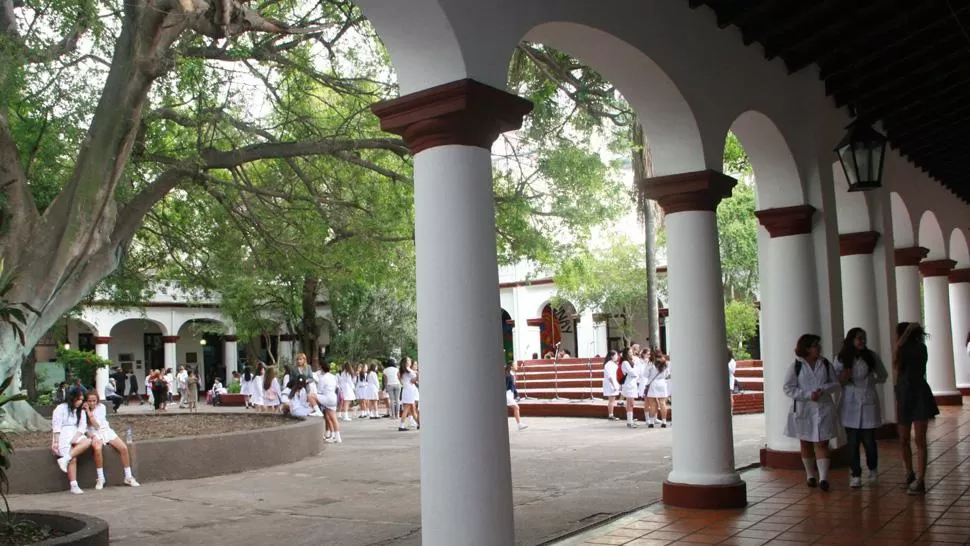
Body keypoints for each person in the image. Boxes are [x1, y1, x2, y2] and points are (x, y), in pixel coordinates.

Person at [783, 334, 841, 491]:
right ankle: (810, 475)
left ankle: (823, 478)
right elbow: (788, 388)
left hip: (823, 406)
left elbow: (836, 384)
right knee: (806, 441)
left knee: (823, 441)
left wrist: (824, 390)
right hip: (804, 408)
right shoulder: (796, 365)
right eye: (815, 345)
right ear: (807, 348)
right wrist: (808, 395)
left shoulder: (826, 364)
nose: (819, 348)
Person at [834, 327, 888, 488]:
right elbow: (834, 379)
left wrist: (871, 383)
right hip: (850, 401)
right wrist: (844, 378)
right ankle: (855, 473)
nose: (862, 341)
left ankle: (872, 469)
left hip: (868, 400)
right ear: (851, 340)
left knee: (869, 440)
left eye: (863, 338)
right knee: (852, 441)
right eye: (858, 338)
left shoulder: (871, 356)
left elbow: (883, 375)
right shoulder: (841, 358)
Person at [894, 322, 939, 495]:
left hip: (919, 392)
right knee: (903, 438)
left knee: (920, 439)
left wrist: (907, 332)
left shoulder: (919, 348)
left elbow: (899, 347)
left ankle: (920, 479)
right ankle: (909, 473)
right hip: (904, 393)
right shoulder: (901, 351)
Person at [83, 392, 140, 489]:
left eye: (94, 401)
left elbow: (97, 425)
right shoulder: (82, 411)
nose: (92, 403)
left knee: (123, 448)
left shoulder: (101, 407)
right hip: (93, 433)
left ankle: (128, 476)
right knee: (97, 449)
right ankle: (101, 478)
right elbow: (84, 428)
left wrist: (89, 412)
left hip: (105, 430)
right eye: (89, 401)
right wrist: (91, 435)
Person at [50, 391, 92, 494]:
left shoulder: (80, 410)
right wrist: (55, 442)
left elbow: (82, 426)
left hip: (75, 432)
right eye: (78, 399)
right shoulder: (60, 408)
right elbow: (56, 426)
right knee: (73, 458)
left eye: (82, 400)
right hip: (63, 434)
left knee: (88, 441)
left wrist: (76, 437)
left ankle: (64, 459)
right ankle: (74, 485)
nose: (80, 402)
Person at [642, 348, 671, 428]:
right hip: (662, 383)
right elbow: (667, 374)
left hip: (653, 384)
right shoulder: (665, 363)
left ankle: (651, 422)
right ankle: (664, 421)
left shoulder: (651, 363)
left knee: (653, 404)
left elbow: (645, 375)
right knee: (662, 403)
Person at [619, 348, 640, 428]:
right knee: (630, 403)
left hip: (632, 384)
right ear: (626, 353)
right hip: (628, 385)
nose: (632, 353)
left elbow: (636, 373)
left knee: (631, 403)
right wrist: (636, 368)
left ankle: (630, 420)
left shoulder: (630, 362)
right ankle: (629, 421)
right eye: (630, 352)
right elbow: (633, 373)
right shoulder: (625, 362)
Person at [505, 362, 528, 431]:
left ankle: (519, 425)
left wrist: (516, 394)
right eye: (515, 365)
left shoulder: (512, 375)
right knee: (516, 407)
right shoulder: (508, 375)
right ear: (511, 367)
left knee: (516, 407)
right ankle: (519, 425)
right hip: (507, 394)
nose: (517, 366)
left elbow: (513, 386)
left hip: (510, 394)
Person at [601, 350, 620, 421]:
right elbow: (610, 376)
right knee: (611, 400)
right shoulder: (609, 364)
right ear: (612, 356)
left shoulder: (612, 363)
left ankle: (611, 414)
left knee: (612, 399)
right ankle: (611, 414)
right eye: (616, 355)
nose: (617, 357)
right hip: (610, 383)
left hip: (613, 382)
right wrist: (614, 385)